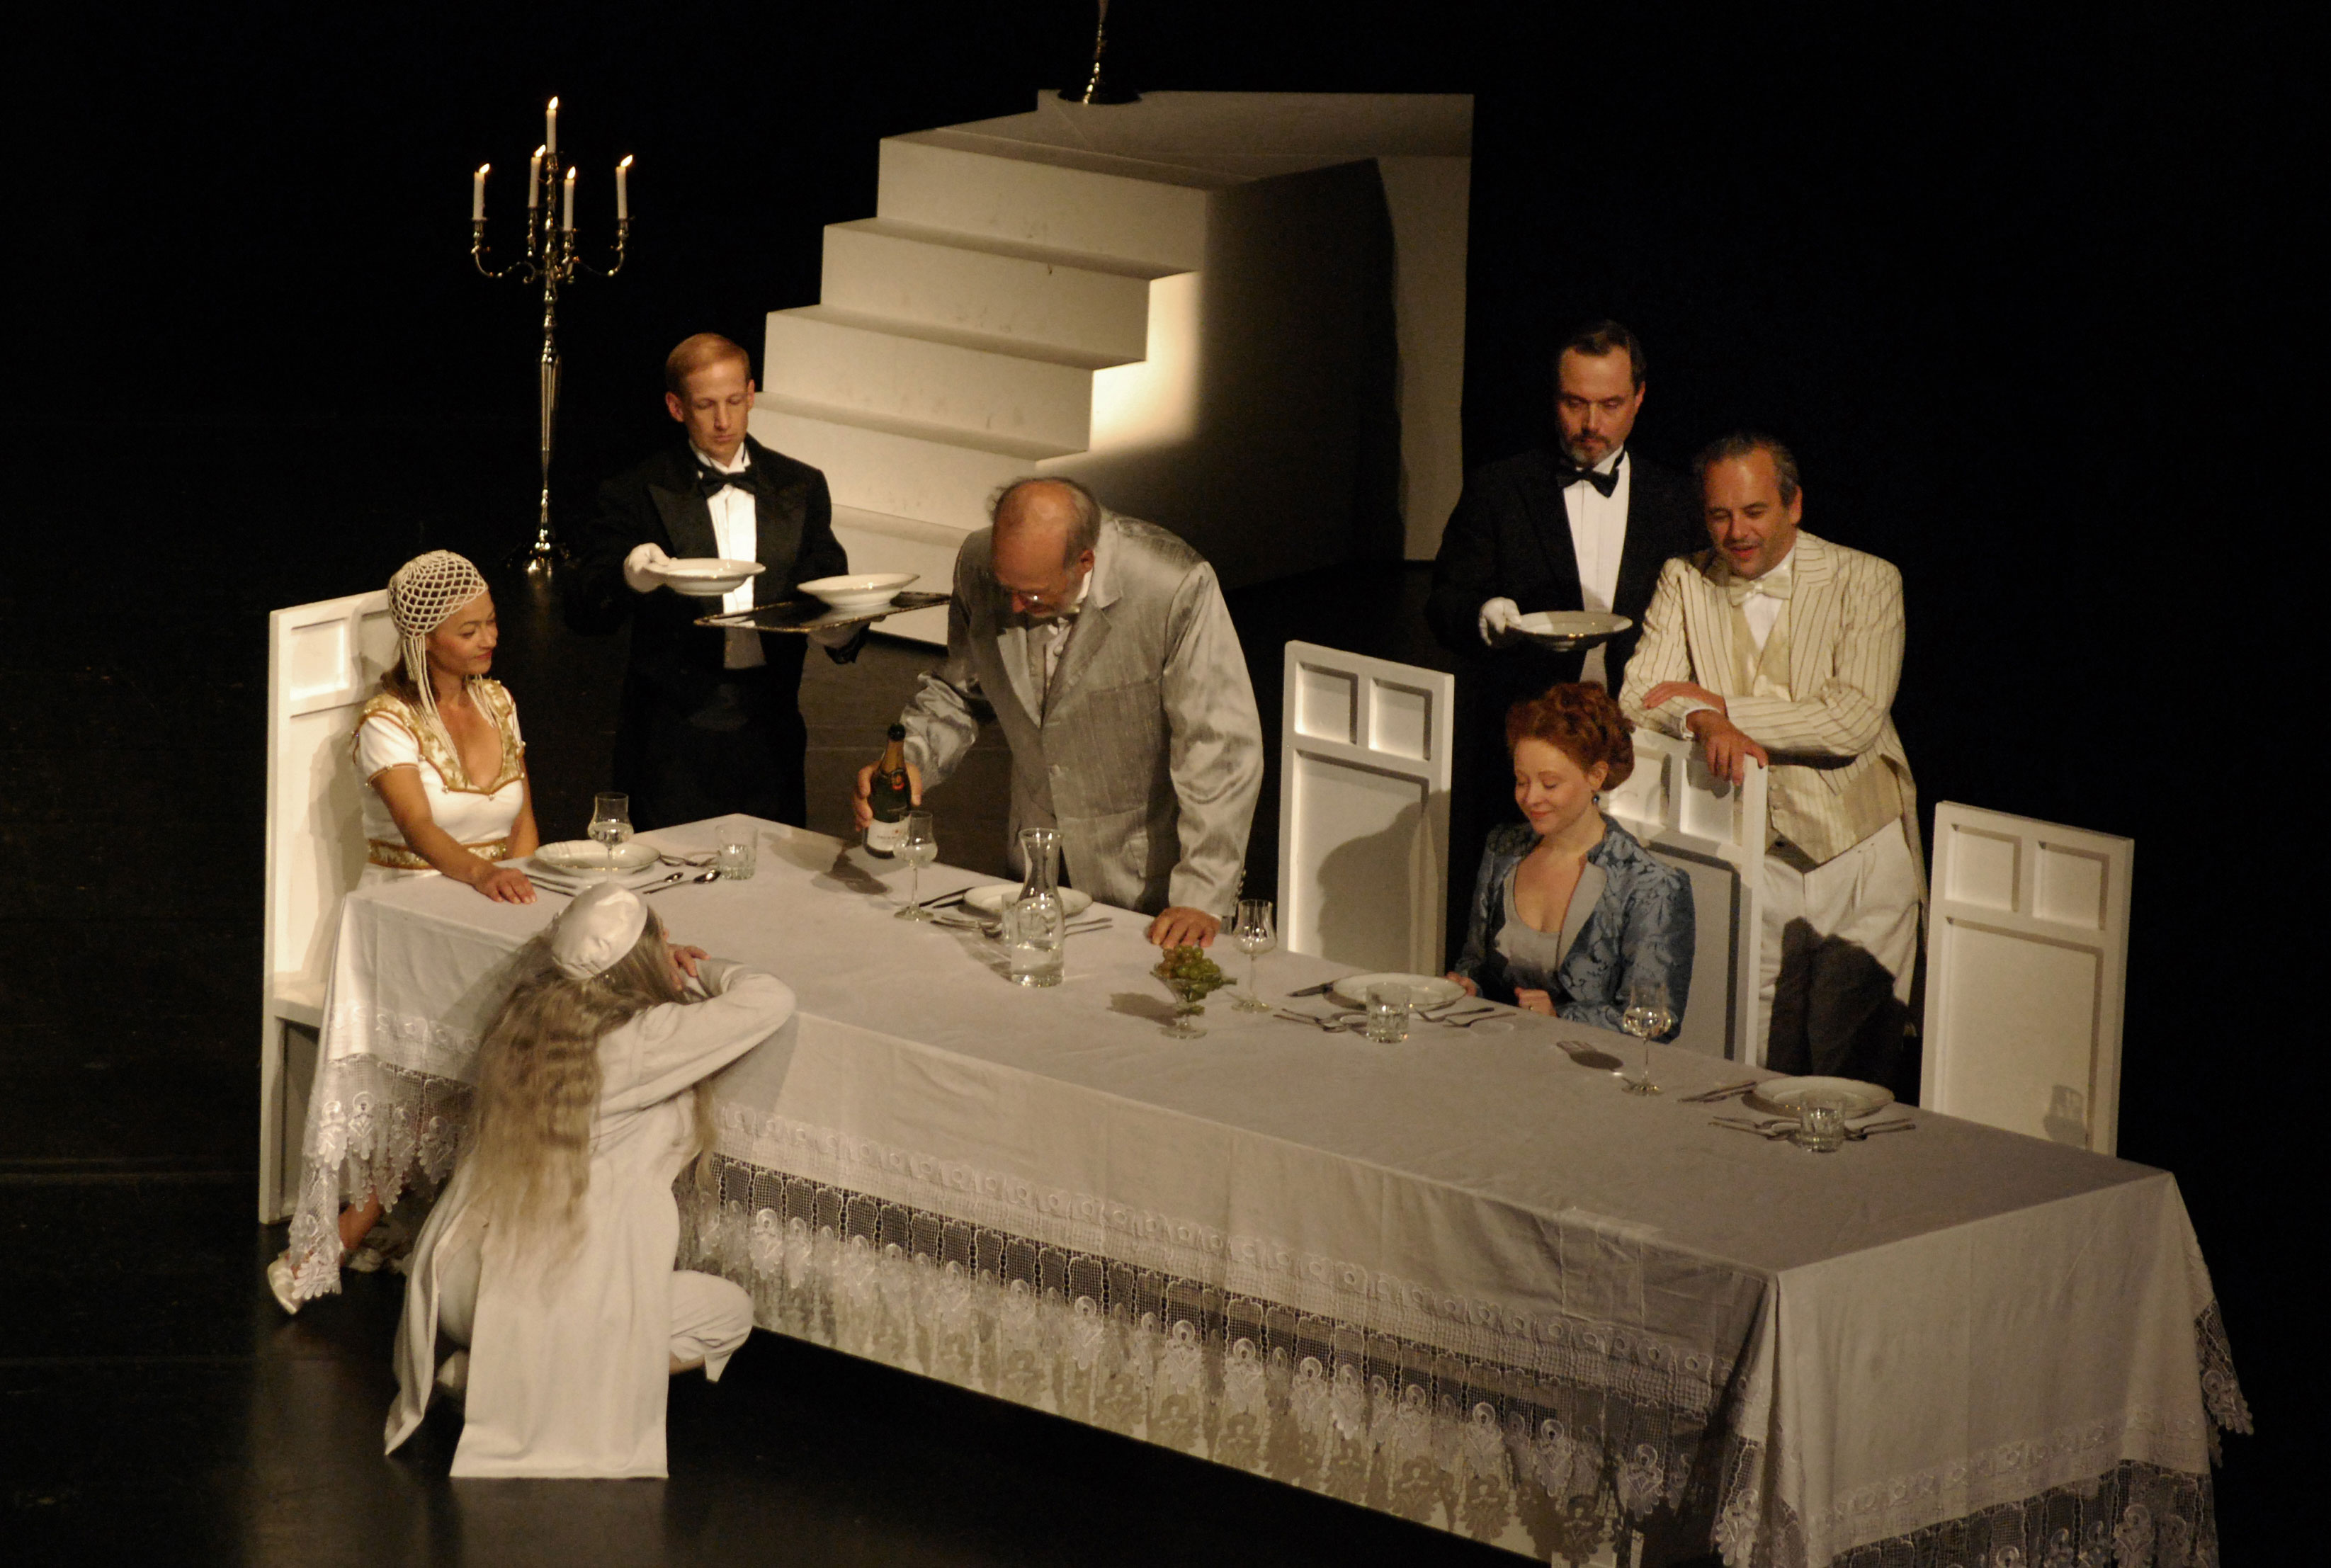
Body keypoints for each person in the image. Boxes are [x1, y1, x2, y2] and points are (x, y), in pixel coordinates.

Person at [383, 881, 793, 1477]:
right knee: (726, 1313)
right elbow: (771, 999)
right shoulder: (643, 1040)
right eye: (661, 939)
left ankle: (496, 1371)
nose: (670, 944)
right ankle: (501, 1382)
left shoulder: (528, 1017)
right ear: (641, 960)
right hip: (529, 1305)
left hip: (455, 1287)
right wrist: (699, 971)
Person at [266, 550, 540, 1314]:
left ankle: (494, 1236)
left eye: (491, 623)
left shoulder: (499, 702)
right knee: (463, 1058)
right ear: (424, 641)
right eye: (469, 630)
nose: (489, 640)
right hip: (406, 917)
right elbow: (420, 829)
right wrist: (485, 880)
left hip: (488, 905)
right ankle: (335, 1237)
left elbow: (524, 817)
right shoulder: (387, 723)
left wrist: (526, 891)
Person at [1619, 433, 1922, 1083]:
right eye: (1719, 515)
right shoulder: (1684, 579)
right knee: (1747, 1065)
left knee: (1848, 1078)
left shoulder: (1867, 580)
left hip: (1856, 856)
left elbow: (1851, 718)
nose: (1736, 532)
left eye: (1754, 512)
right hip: (1748, 857)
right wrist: (1701, 719)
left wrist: (1722, 706)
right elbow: (1639, 694)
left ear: (1794, 505)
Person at [851, 477, 1263, 948]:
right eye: (1006, 588)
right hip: (1031, 864)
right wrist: (912, 760)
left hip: (1142, 882)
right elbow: (960, 691)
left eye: (1032, 593)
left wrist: (1203, 893)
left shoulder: (1172, 584)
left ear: (1085, 560)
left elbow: (1219, 746)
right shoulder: (979, 562)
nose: (1014, 605)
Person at [1424, 321, 1703, 967]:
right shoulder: (1501, 487)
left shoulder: (1675, 499)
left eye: (1609, 405)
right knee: (1506, 930)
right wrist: (1487, 616)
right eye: (1575, 403)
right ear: (1554, 398)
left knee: (1623, 925)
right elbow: (1443, 601)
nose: (1590, 423)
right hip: (1527, 741)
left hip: (1640, 741)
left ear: (1638, 398)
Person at [566, 333, 861, 831]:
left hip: (771, 728)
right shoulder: (637, 489)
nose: (723, 421)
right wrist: (630, 575)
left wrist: (840, 626)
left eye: (733, 401)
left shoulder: (801, 485)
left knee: (771, 870)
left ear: (751, 394)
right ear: (676, 407)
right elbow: (583, 607)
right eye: (705, 406)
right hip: (671, 734)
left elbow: (827, 581)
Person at [1447, 684, 1694, 1032]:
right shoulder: (1503, 848)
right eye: (1521, 781)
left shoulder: (1651, 884)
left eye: (1549, 784)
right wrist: (1468, 987)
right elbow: (1475, 963)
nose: (1531, 798)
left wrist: (1559, 1017)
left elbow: (1654, 1021)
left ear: (1596, 776)